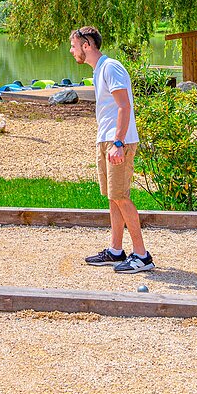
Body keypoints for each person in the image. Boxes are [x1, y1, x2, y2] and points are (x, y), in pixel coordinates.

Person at [70, 26, 154, 273]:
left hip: (119, 141)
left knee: (121, 196)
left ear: (87, 45)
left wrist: (118, 143)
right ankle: (116, 251)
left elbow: (124, 106)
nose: (72, 51)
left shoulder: (111, 67)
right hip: (106, 140)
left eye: (74, 46)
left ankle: (142, 256)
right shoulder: (99, 71)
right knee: (112, 197)